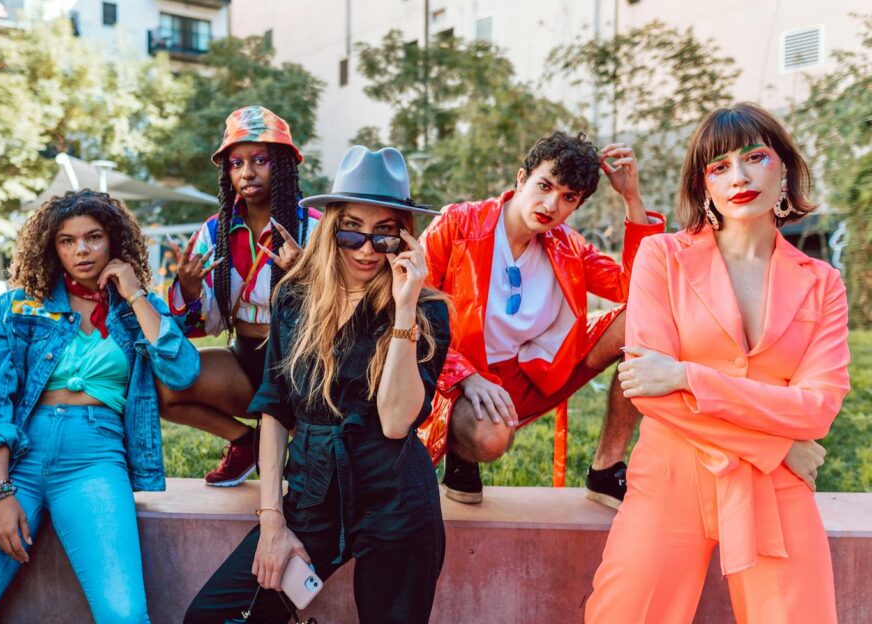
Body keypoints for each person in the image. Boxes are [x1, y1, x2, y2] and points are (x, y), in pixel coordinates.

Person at [585, 103, 847, 623]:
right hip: (672, 477)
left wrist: (686, 374)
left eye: (756, 158)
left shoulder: (821, 282)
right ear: (703, 184)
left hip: (773, 489)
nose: (740, 177)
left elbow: (816, 411)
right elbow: (646, 390)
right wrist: (776, 442)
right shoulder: (663, 258)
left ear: (786, 171)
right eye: (720, 166)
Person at [184, 146, 451, 623]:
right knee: (210, 617)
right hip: (311, 492)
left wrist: (405, 309)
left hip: (395, 498)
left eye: (385, 235)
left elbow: (394, 422)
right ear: (331, 228)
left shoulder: (426, 311)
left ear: (405, 239)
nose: (366, 249)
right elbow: (274, 409)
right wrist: (272, 521)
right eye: (352, 230)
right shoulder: (295, 297)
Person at [0, 189, 200, 624]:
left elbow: (182, 372)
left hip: (95, 461)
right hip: (18, 459)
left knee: (124, 616)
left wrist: (136, 295)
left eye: (94, 237)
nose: (81, 250)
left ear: (115, 243)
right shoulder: (16, 307)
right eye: (67, 240)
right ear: (52, 248)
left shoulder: (138, 310)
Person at [419, 131, 665, 508]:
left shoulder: (568, 245)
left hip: (535, 371)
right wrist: (464, 377)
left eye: (568, 198)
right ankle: (463, 452)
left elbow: (634, 287)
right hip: (459, 376)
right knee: (490, 437)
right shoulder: (458, 224)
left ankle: (605, 469)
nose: (551, 204)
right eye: (545, 186)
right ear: (522, 178)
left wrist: (631, 198)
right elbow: (410, 308)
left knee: (645, 318)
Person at [162, 106, 321, 487]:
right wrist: (188, 287)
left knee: (308, 477)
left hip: (304, 366)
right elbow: (194, 326)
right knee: (166, 386)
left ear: (281, 164)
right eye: (236, 163)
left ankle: (304, 451)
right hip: (245, 359)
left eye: (260, 160)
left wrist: (306, 277)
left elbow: (343, 308)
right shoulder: (215, 232)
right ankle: (244, 443)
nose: (247, 172)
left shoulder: (314, 227)